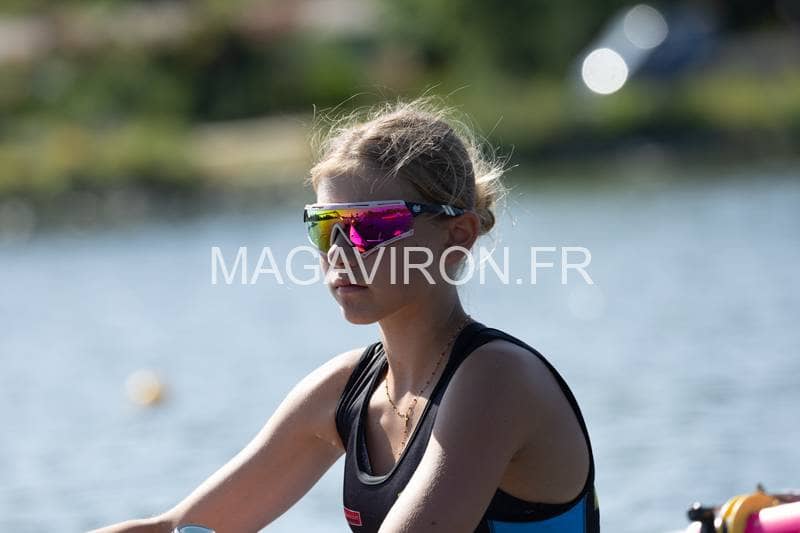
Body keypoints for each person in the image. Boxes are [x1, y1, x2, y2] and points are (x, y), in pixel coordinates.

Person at [91, 98, 600, 533]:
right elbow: (175, 528)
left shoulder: (498, 381)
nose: (339, 250)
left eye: (370, 227)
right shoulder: (343, 391)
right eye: (324, 225)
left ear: (458, 235)